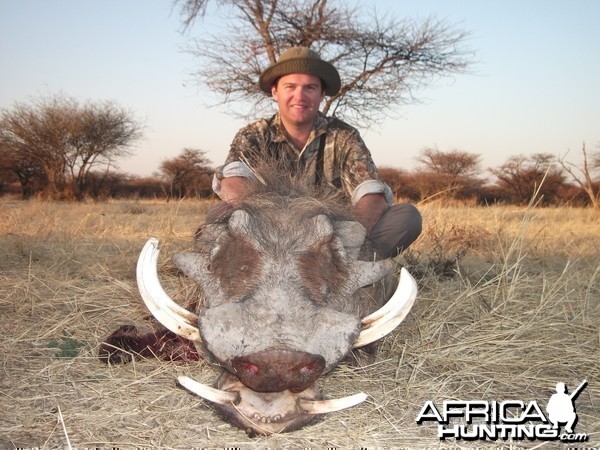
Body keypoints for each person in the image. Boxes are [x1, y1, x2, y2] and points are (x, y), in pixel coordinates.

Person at [212, 46, 422, 259]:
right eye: (290, 86)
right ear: (275, 92)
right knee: (216, 216)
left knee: (407, 217)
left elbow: (370, 194)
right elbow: (233, 181)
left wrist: (347, 239)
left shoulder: (344, 135)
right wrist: (264, 227)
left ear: (322, 93)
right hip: (267, 237)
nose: (299, 96)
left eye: (310, 88)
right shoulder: (253, 134)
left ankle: (347, 270)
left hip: (331, 244)